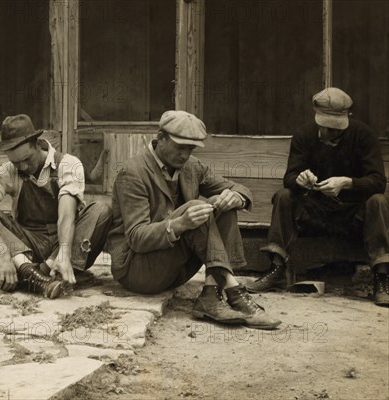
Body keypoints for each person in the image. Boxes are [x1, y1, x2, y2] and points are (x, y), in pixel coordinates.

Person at [107, 110, 281, 329]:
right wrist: (180, 224)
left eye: (190, 149)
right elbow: (136, 238)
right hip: (138, 270)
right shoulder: (132, 172)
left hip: (175, 268)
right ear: (160, 138)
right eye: (180, 147)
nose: (185, 155)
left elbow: (239, 188)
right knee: (197, 208)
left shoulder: (192, 167)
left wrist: (236, 197)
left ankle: (211, 292)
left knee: (223, 203)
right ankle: (234, 291)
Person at [247, 87, 389, 307]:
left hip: (353, 216)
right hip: (315, 214)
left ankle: (382, 277)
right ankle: (276, 268)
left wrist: (347, 183)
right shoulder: (304, 135)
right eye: (323, 126)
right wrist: (299, 179)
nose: (327, 133)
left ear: (346, 119)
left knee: (378, 201)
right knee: (284, 196)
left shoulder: (364, 135)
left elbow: (379, 181)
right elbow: (289, 178)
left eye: (334, 129)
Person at [0, 114, 112, 299]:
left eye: (27, 159)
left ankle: (33, 275)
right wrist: (2, 251)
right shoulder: (9, 170)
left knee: (101, 211)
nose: (24, 167)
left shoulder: (68, 164)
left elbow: (66, 216)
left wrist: (64, 254)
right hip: (27, 246)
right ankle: (35, 275)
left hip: (63, 242)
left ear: (37, 144)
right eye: (16, 163)